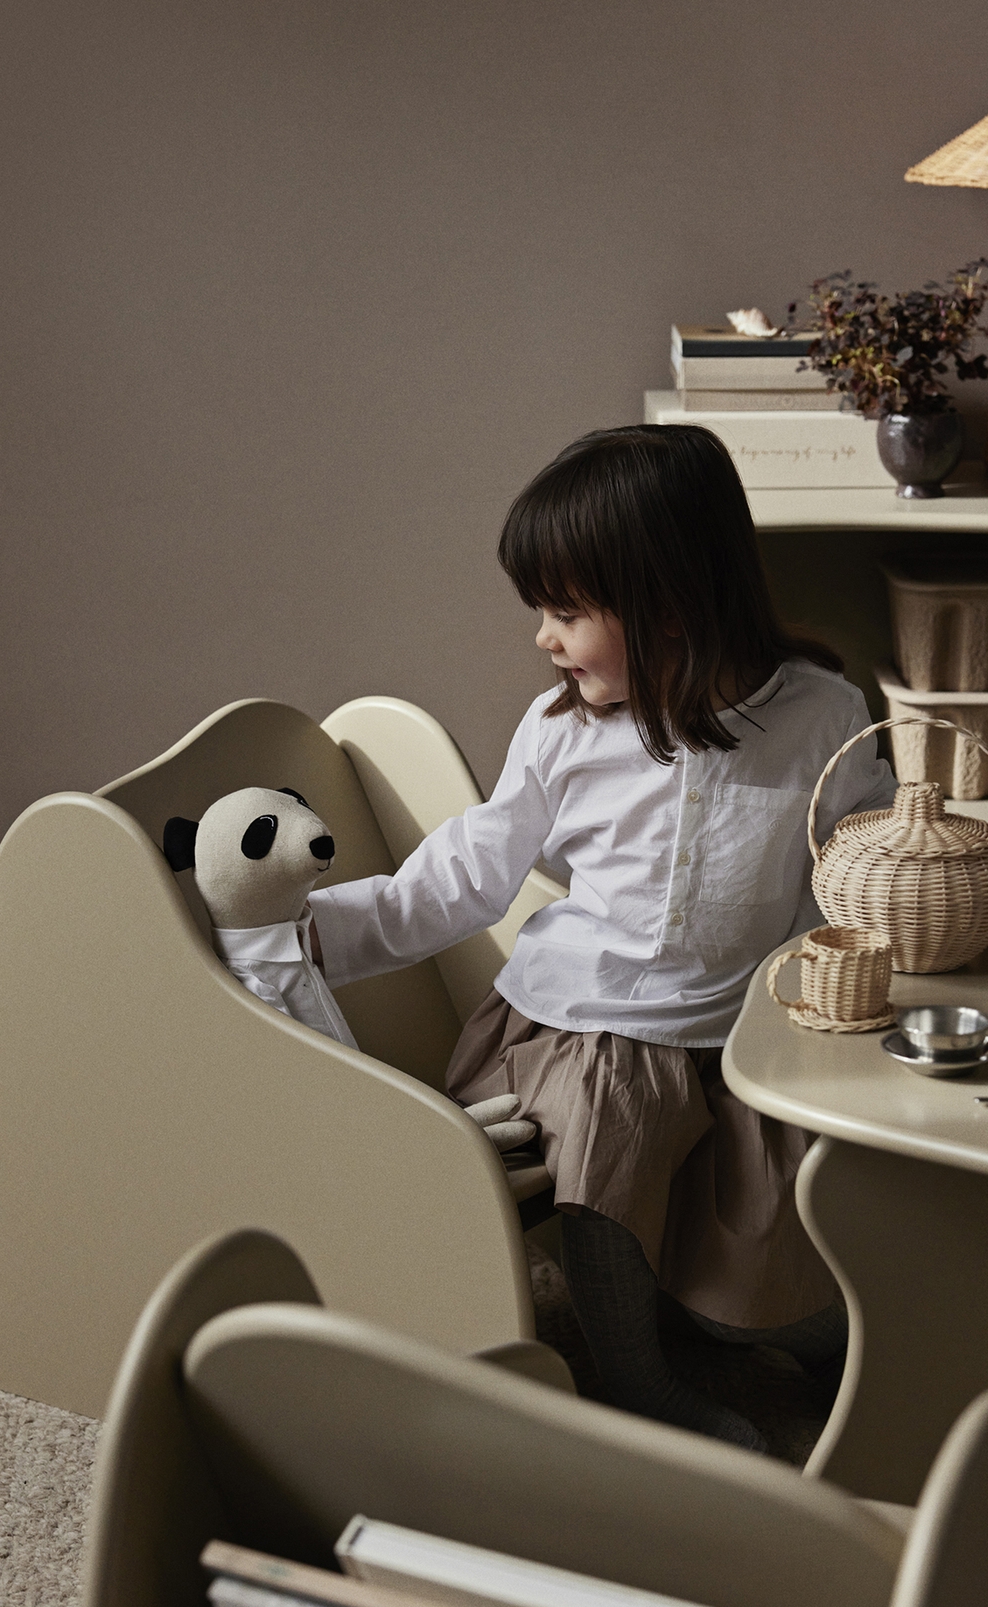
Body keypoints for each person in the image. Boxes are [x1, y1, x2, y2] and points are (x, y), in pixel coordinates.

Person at [310, 424, 896, 1452]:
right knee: (611, 1147)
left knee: (773, 1242)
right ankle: (634, 1381)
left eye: (567, 612)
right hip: (582, 1028)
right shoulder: (564, 732)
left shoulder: (823, 716)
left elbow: (857, 871)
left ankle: (772, 1332)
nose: (544, 638)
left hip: (734, 1036)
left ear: (670, 608)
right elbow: (466, 874)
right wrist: (314, 935)